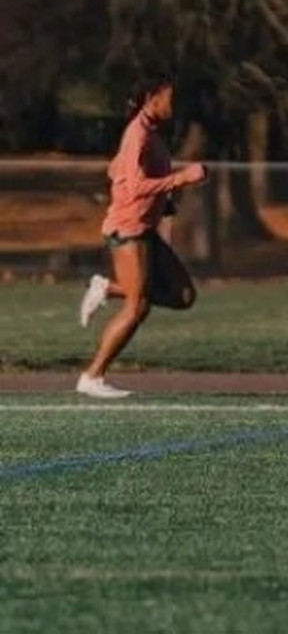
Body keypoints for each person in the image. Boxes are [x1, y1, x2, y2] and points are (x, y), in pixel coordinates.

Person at [76, 77, 207, 400]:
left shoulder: (149, 134)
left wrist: (165, 201)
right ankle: (92, 377)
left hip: (145, 229)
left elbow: (117, 173)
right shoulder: (137, 134)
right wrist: (182, 178)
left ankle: (107, 287)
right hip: (128, 230)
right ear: (152, 97)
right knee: (138, 306)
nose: (174, 105)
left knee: (184, 295)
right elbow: (135, 187)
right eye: (170, 97)